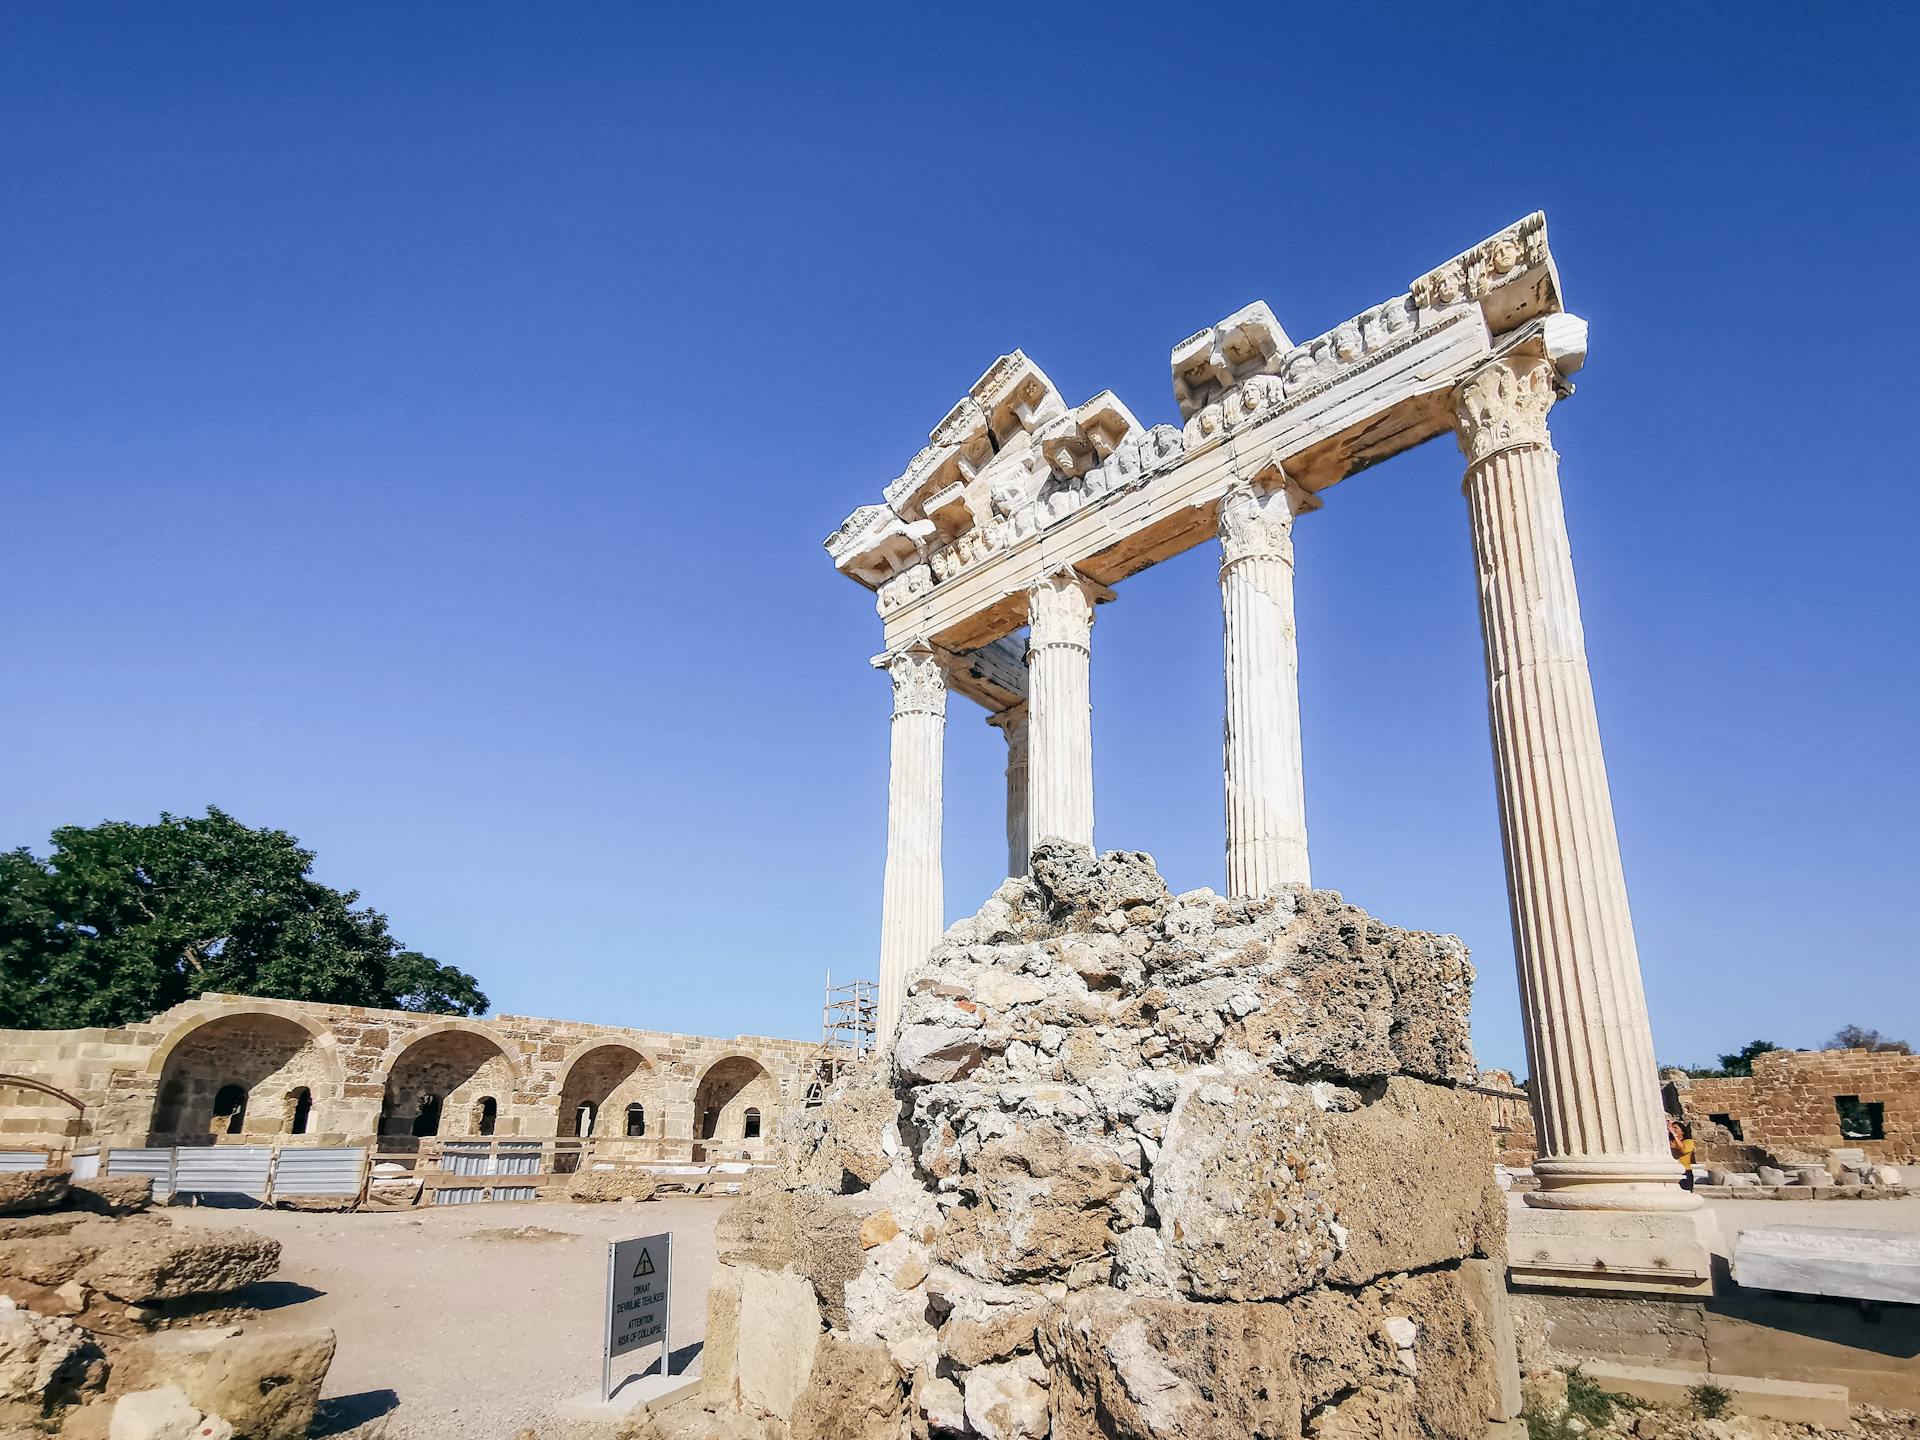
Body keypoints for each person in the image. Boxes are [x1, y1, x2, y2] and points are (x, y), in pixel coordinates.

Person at [1668, 1117, 1697, 1191]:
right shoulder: (1670, 1142)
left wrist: (1674, 1135)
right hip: (1672, 1171)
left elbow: (1683, 1150)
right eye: (1672, 1128)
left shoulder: (1689, 1142)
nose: (1673, 1129)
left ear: (1682, 1131)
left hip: (1685, 1170)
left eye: (1676, 1128)